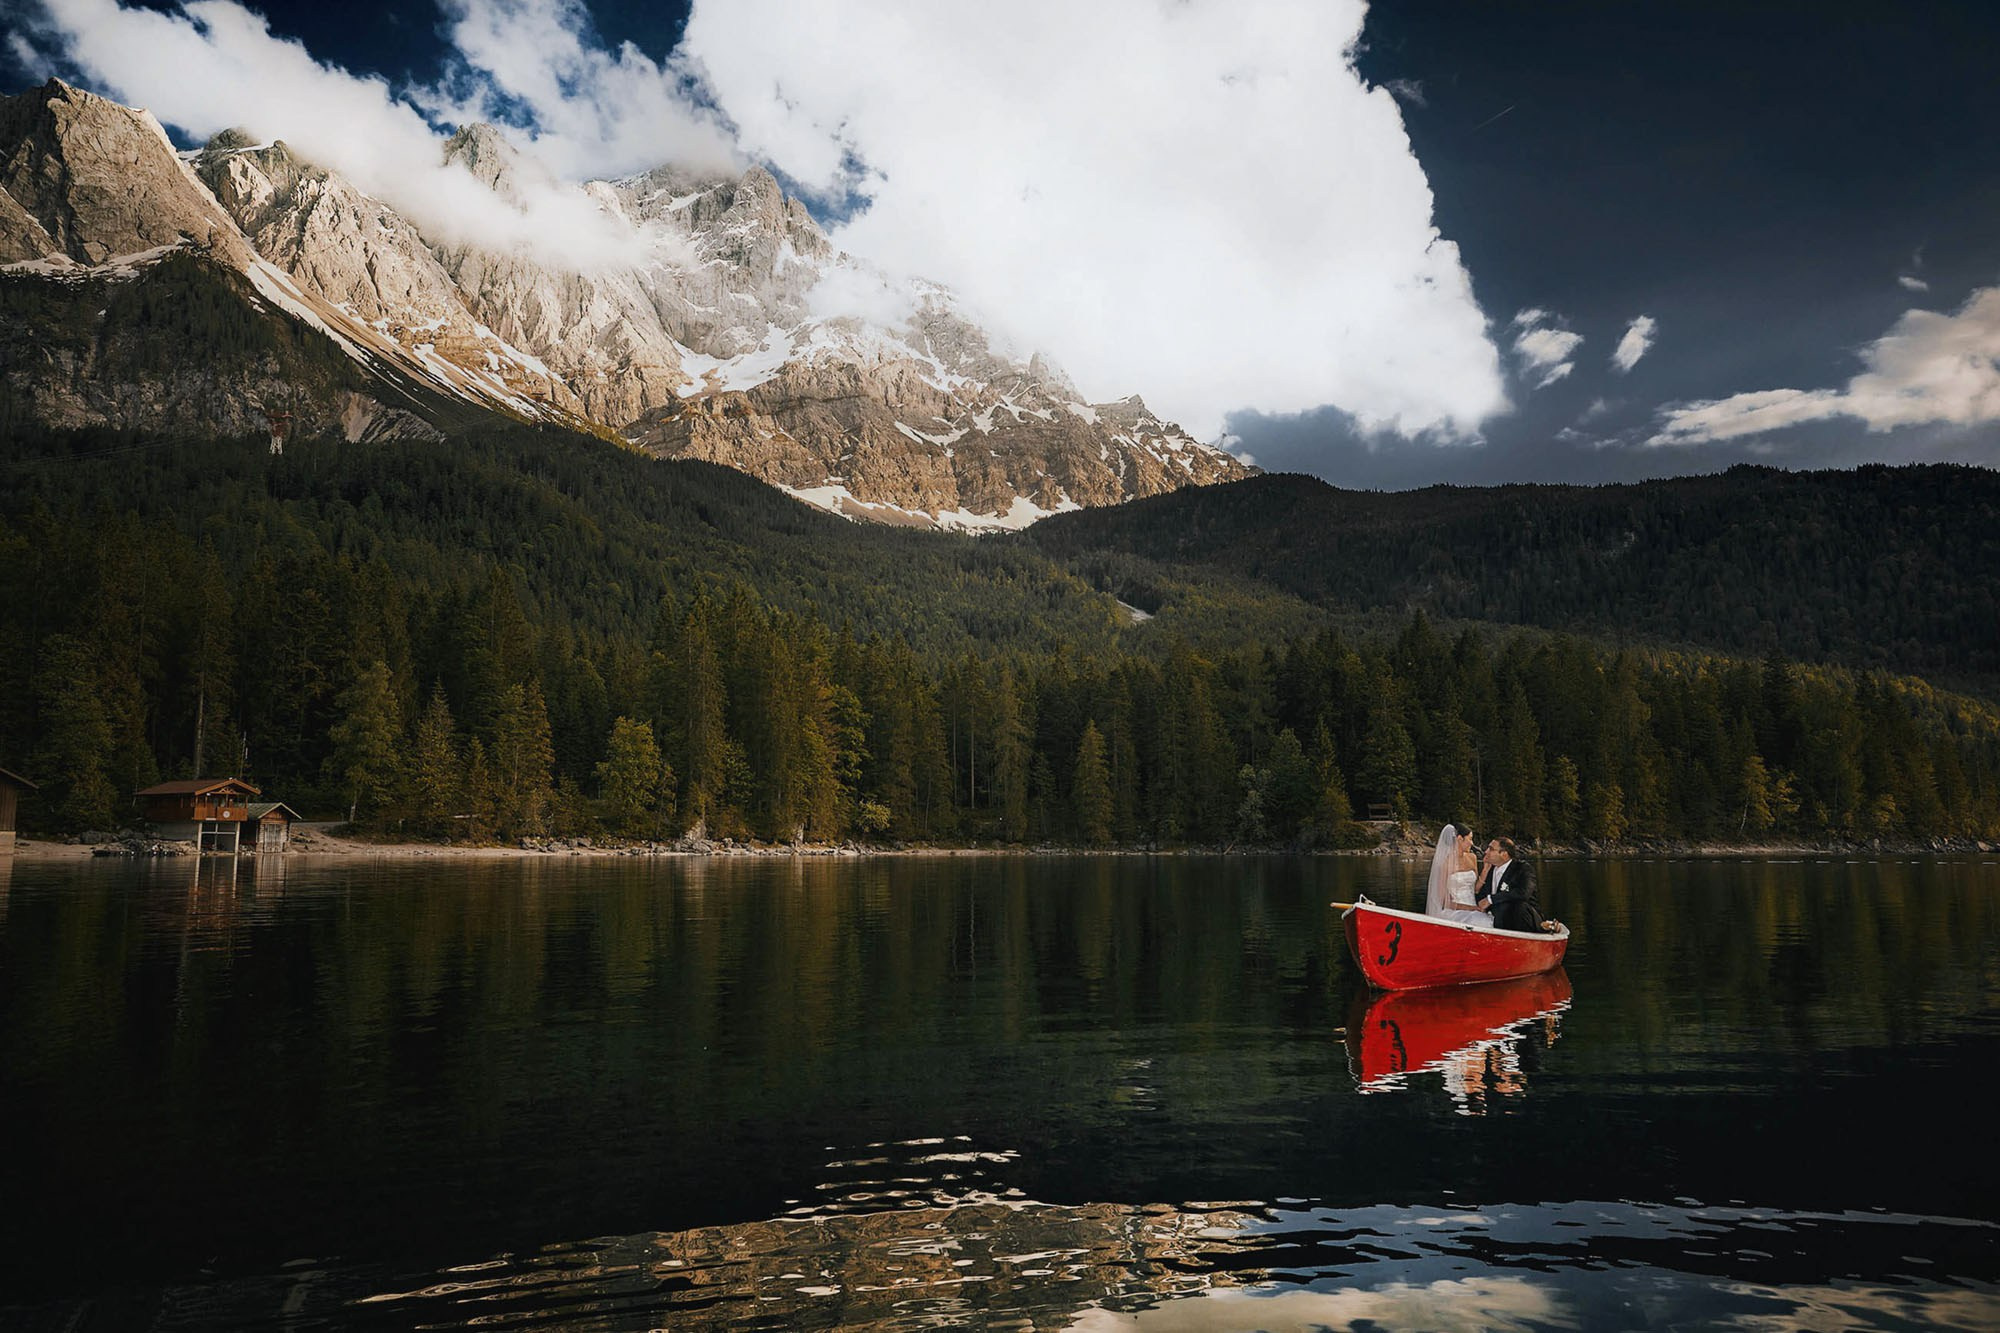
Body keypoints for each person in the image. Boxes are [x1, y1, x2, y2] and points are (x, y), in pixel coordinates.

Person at [1425, 823, 1491, 927]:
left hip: (1475, 908)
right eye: (1470, 839)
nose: (1472, 843)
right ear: (1460, 839)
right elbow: (1444, 901)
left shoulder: (1472, 857)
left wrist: (1486, 869)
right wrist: (1472, 909)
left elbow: (1475, 889)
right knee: (1482, 922)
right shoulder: (1445, 863)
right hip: (1455, 911)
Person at [1476, 836, 1545, 933]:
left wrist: (1491, 899)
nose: (1486, 851)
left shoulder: (1523, 869)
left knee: (1519, 906)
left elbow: (1523, 893)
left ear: (1504, 854)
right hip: (1496, 921)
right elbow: (1481, 896)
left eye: (1491, 849)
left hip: (1523, 920)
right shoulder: (1489, 870)